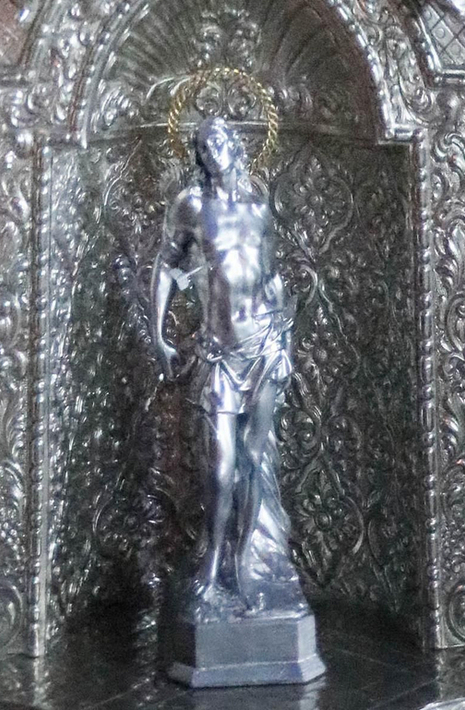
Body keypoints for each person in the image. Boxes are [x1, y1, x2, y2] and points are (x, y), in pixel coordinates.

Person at [151, 115, 309, 617]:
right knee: (220, 470)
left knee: (253, 462)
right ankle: (212, 562)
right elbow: (166, 265)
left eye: (219, 140)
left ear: (236, 147)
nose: (211, 149)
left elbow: (271, 275)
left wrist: (284, 331)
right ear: (197, 155)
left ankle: (244, 566)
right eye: (202, 144)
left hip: (263, 344)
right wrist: (158, 334)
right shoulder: (192, 207)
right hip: (221, 353)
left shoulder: (259, 207)